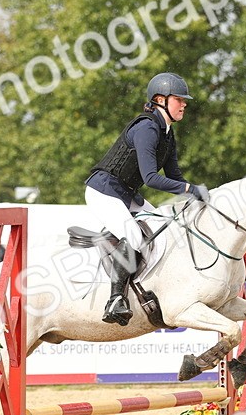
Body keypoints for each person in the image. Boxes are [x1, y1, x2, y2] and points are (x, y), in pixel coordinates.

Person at [84, 72, 208, 325]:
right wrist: (189, 189)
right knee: (133, 235)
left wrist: (193, 195)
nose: (184, 103)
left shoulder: (167, 133)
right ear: (160, 100)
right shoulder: (147, 128)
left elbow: (174, 176)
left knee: (162, 232)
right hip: (103, 190)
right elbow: (151, 178)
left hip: (126, 193)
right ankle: (116, 300)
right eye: (179, 99)